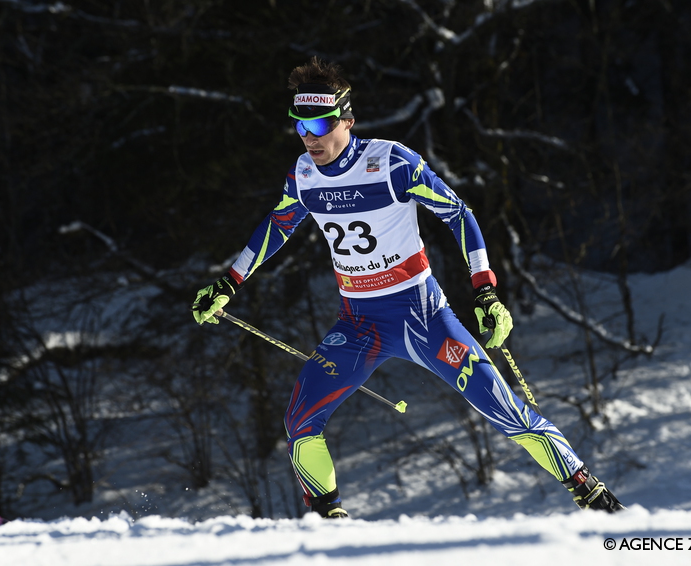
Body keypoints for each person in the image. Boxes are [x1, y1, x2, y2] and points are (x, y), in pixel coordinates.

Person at [192, 57, 624, 518]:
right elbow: (276, 226)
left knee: (506, 411)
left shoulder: (392, 162)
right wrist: (229, 281)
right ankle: (331, 530)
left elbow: (459, 214)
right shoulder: (303, 175)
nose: (309, 136)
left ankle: (593, 496)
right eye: (299, 125)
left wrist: (486, 291)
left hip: (423, 318)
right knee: (299, 422)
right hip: (359, 326)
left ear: (347, 121)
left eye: (319, 123)